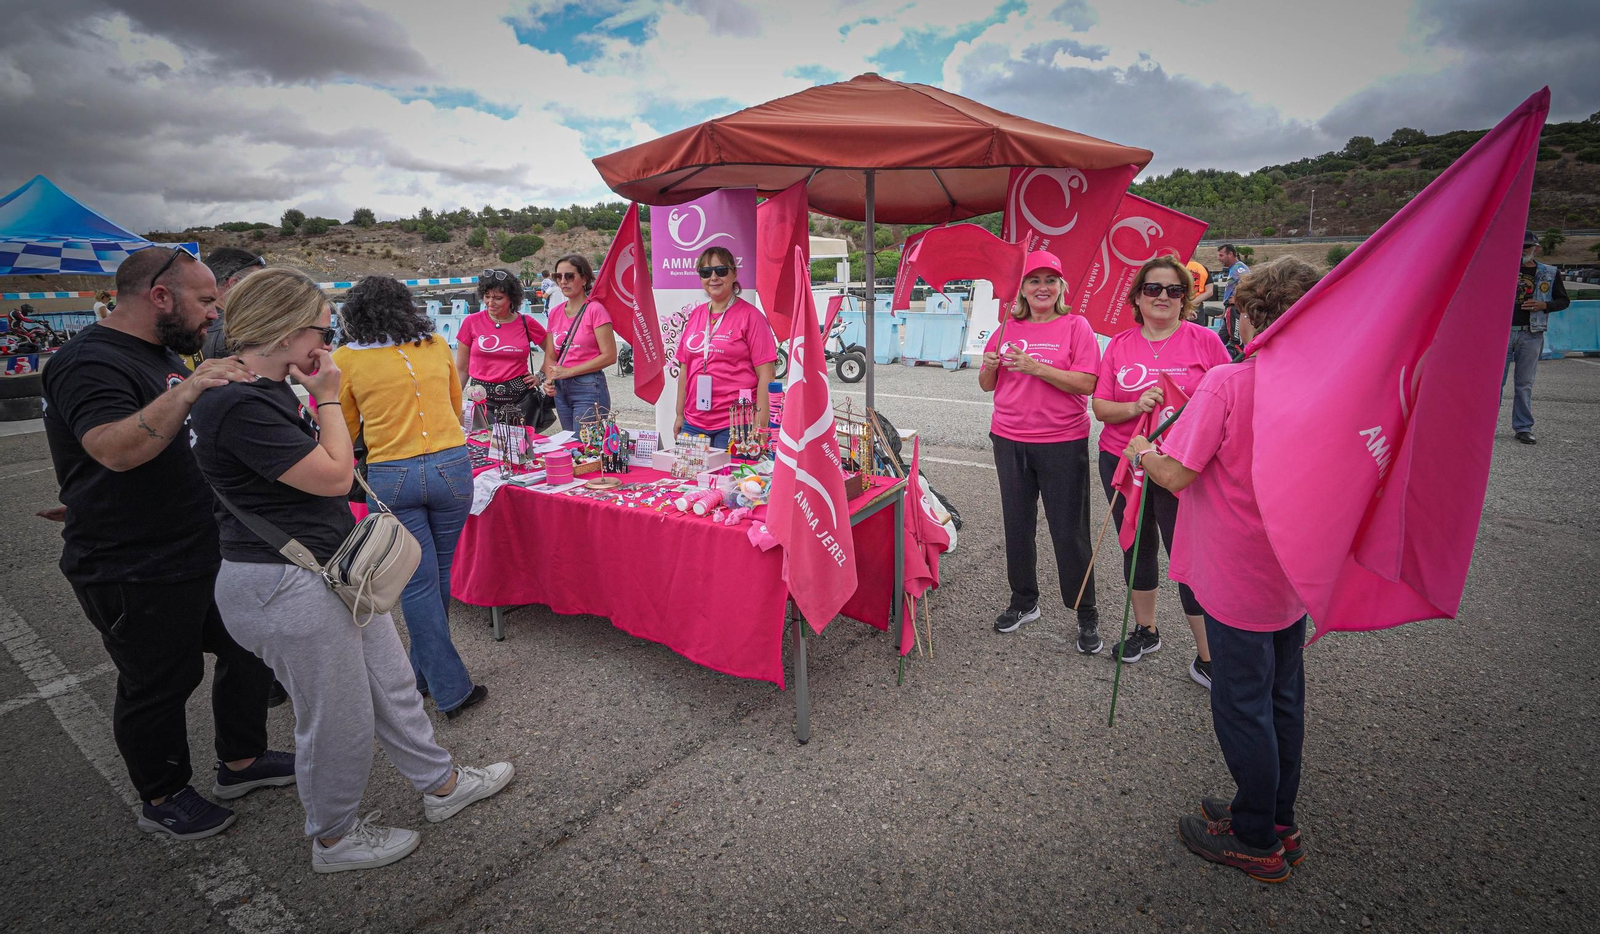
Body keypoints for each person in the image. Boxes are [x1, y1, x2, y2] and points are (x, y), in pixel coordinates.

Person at [189, 267, 514, 873]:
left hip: (325, 570)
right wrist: (330, 396)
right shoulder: (237, 403)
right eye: (320, 328)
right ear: (286, 329)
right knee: (336, 716)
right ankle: (333, 837)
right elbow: (337, 475)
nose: (327, 341)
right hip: (285, 580)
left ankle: (440, 783)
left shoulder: (260, 392)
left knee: (391, 682)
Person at [40, 244, 293, 841]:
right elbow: (112, 447)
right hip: (135, 563)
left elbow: (142, 452)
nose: (214, 313)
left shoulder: (161, 355)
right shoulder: (91, 361)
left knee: (248, 652)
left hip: (200, 545)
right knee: (160, 682)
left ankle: (242, 760)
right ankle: (164, 792)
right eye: (206, 300)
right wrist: (188, 390)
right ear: (160, 296)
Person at [1126, 257, 1322, 883]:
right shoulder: (1324, 382)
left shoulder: (1231, 384)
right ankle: (1274, 815)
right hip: (1291, 570)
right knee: (1283, 698)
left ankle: (1254, 837)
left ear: (1245, 316)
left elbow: (1178, 472)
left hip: (1238, 570)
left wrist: (1142, 451)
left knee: (1242, 705)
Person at [333, 275, 487, 719]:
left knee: (418, 584)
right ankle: (430, 676)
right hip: (451, 466)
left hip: (392, 473)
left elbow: (346, 431)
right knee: (436, 576)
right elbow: (457, 405)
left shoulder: (345, 359)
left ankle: (444, 686)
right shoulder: (435, 346)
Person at [1092, 256, 1230, 686]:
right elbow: (1100, 407)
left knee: (1187, 557)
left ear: (1185, 297)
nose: (1163, 297)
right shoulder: (1119, 344)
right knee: (1137, 546)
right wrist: (1135, 407)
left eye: (1174, 290)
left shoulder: (1205, 341)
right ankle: (1146, 629)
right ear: (1137, 296)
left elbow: (1229, 400)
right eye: (1153, 288)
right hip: (1122, 458)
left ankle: (1208, 656)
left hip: (1181, 466)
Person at [978, 251, 1102, 647]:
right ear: (1023, 290)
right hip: (1010, 439)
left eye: (1050, 280)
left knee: (1069, 531)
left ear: (1062, 287)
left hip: (1062, 442)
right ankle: (1024, 600)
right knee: (1017, 525)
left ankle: (1085, 610)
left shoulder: (1076, 326)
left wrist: (1036, 368)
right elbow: (987, 385)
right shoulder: (1006, 327)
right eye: (1034, 281)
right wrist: (989, 366)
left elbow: (1086, 383)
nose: (1042, 288)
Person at [672, 246, 778, 448]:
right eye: (705, 272)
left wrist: (761, 425)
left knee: (728, 480)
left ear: (734, 273)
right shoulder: (696, 315)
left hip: (736, 424)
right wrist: (679, 415)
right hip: (694, 423)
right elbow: (685, 368)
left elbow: (767, 374)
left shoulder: (751, 317)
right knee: (688, 479)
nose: (713, 277)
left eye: (720, 271)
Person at [454, 268, 547, 422]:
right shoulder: (471, 322)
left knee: (521, 445)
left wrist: (540, 376)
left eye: (498, 298)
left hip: (520, 400)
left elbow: (552, 352)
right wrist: (453, 403)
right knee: (481, 444)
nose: (491, 302)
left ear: (512, 298)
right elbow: (462, 369)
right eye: (487, 296)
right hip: (481, 399)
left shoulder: (527, 323)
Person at [1503, 229, 1569, 444]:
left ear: (1535, 248)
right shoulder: (1502, 269)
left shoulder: (1549, 273)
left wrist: (1544, 305)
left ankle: (1523, 427)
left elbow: (1563, 300)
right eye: (1519, 247)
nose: (1522, 251)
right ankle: (1483, 426)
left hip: (1531, 334)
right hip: (1502, 335)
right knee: (1494, 384)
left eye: (1526, 247)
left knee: (1524, 384)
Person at [543, 253, 617, 431]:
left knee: (586, 447)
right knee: (571, 446)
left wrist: (569, 371)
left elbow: (610, 356)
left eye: (569, 276)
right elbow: (551, 354)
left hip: (588, 386)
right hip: (561, 387)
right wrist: (548, 380)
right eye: (558, 277)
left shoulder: (596, 310)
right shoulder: (555, 313)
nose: (563, 281)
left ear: (584, 279)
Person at [200, 247, 267, 360]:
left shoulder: (189, 324)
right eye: (257, 283)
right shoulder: (237, 333)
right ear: (235, 283)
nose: (263, 291)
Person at [1216, 244, 1250, 349]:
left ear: (1230, 254)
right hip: (1230, 309)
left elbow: (1250, 282)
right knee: (1220, 339)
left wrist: (1238, 299)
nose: (1219, 259)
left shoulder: (1238, 267)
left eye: (1221, 256)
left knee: (1235, 342)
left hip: (1235, 309)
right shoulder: (1233, 268)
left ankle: (1236, 362)